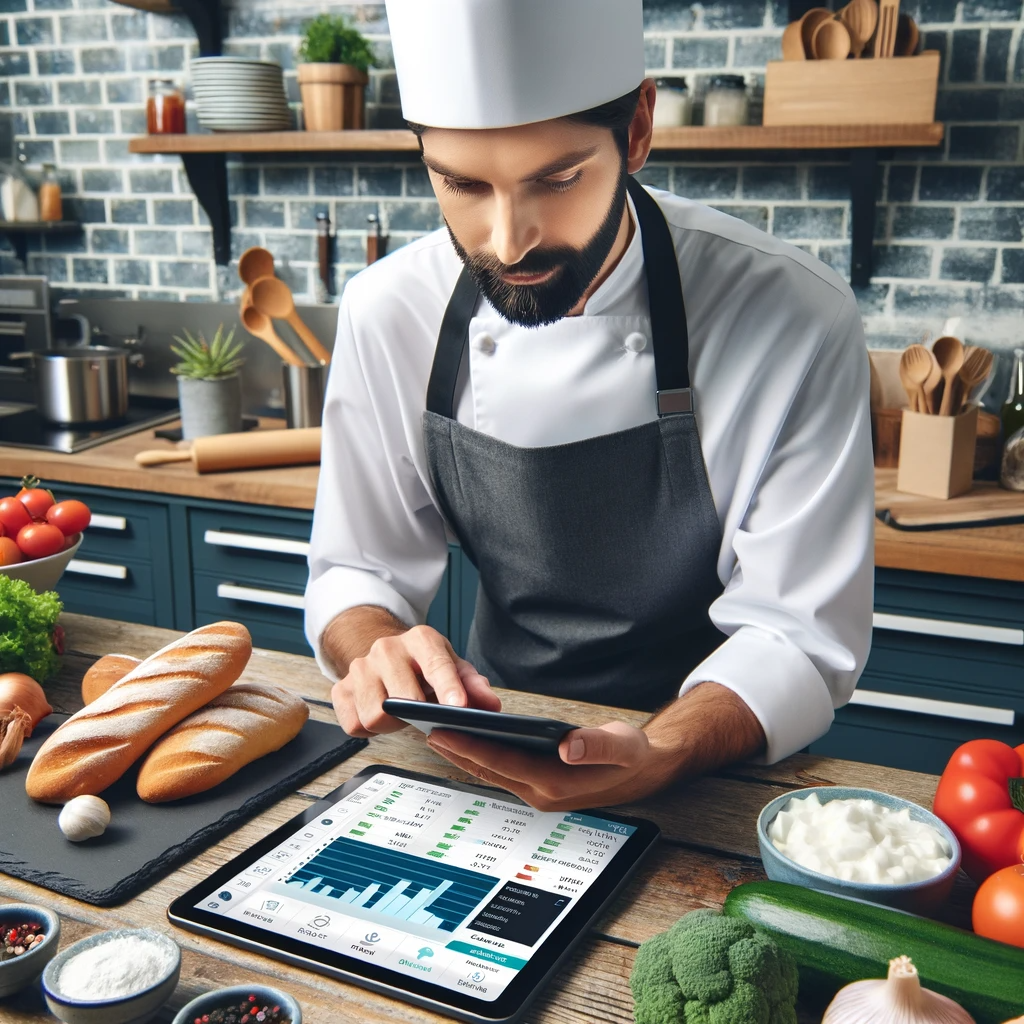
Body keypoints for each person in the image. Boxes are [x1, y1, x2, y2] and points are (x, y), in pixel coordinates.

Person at [305, 0, 874, 811]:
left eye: (559, 178)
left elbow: (799, 630)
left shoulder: (794, 313)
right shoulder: (388, 307)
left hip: (724, 772)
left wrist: (664, 748)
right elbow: (359, 567)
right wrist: (382, 647)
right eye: (462, 184)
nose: (507, 240)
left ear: (638, 127)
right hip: (495, 745)